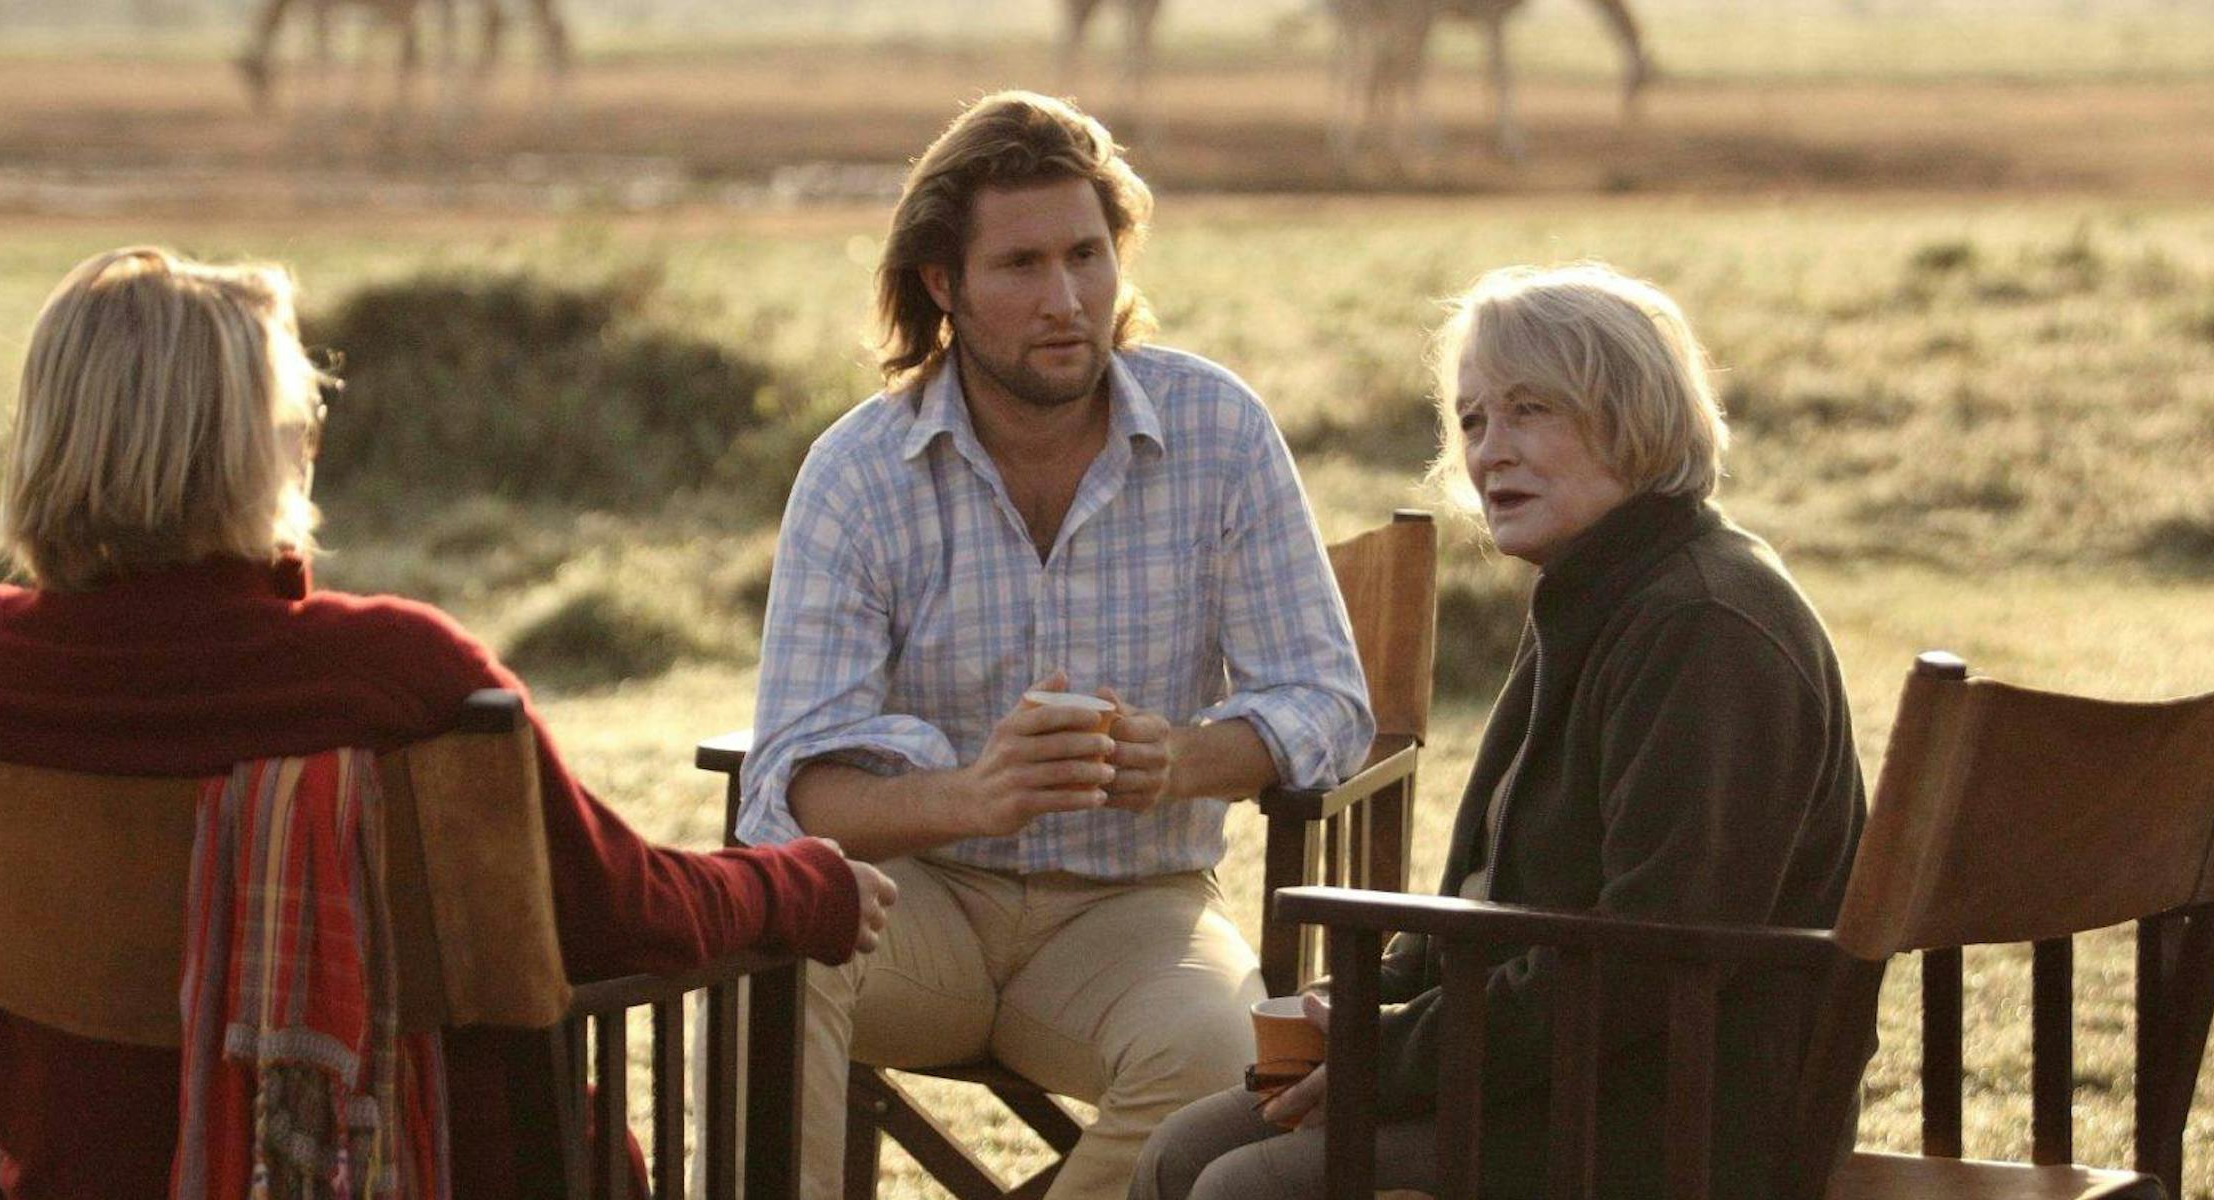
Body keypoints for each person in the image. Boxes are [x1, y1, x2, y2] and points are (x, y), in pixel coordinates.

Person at [0, 247, 900, 1200]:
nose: (309, 441)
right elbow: (620, 911)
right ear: (250, 451)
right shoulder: (389, 674)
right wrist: (800, 883)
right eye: (296, 415)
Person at [736, 91, 1376, 1199]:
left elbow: (1327, 700)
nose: (1066, 300)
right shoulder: (857, 475)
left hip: (1137, 911)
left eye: (1088, 255)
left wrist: (1183, 758)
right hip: (921, 900)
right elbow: (793, 786)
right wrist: (971, 795)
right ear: (944, 284)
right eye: (1021, 265)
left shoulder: (1218, 430)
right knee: (778, 958)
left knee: (1223, 1058)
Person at [1132, 263, 1869, 1200]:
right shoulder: (1592, 590)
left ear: (1633, 415)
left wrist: (1393, 1051)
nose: (1490, 452)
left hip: (1670, 1119)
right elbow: (1495, 902)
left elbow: (1648, 958)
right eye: (1474, 420)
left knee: (1249, 1187)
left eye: (1531, 411)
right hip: (1546, 1070)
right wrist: (1368, 1011)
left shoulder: (1704, 624)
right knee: (1183, 1149)